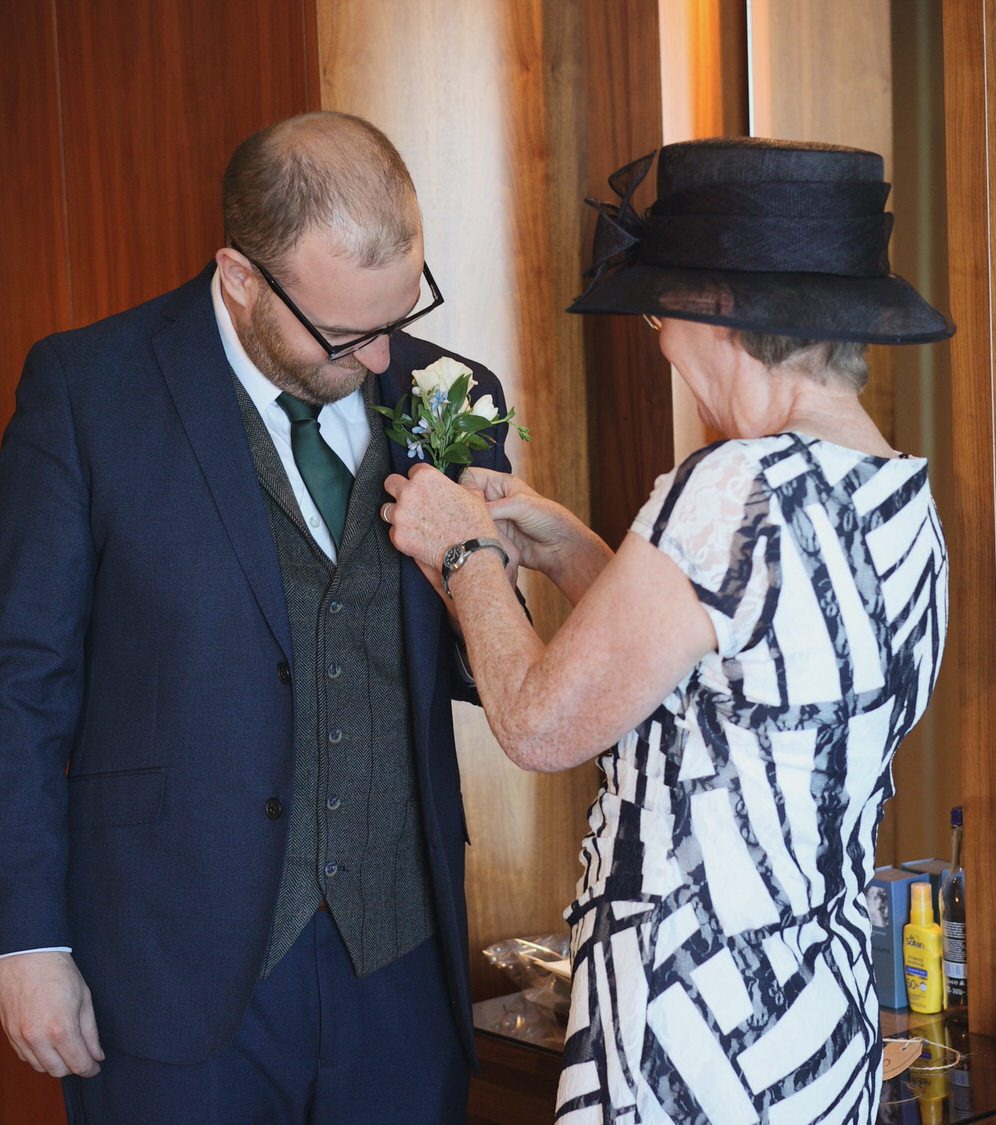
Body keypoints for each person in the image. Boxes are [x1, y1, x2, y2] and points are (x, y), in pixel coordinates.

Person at [380, 137, 954, 1123]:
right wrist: (562, 546)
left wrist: (462, 557)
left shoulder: (730, 485)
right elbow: (726, 674)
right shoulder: (898, 502)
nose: (660, 340)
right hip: (818, 1019)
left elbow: (538, 725)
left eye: (662, 311)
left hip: (692, 1023)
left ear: (718, 313)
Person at [0, 111, 512, 1123]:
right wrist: (25, 941)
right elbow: (16, 682)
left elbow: (481, 663)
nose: (382, 351)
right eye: (345, 332)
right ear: (241, 276)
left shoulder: (449, 395)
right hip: (169, 967)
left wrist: (492, 558)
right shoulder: (87, 392)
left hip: (397, 961)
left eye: (401, 311)